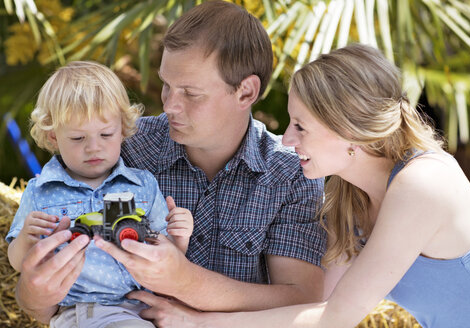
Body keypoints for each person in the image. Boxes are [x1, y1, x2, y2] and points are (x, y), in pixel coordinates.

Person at [126, 43, 470, 327]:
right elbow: (311, 309)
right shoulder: (352, 200)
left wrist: (197, 322)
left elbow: (335, 318)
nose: (286, 139)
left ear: (348, 131)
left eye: (300, 126)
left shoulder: (422, 183)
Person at [14, 0, 327, 323]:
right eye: (166, 85)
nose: (170, 105)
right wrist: (34, 294)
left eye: (190, 93)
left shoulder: (292, 173)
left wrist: (185, 282)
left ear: (246, 93)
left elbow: (301, 301)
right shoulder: (119, 146)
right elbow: (53, 302)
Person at [6, 60, 194, 327]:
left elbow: (166, 258)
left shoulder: (142, 185)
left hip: (135, 309)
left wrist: (180, 237)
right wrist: (25, 238)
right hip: (74, 312)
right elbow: (16, 261)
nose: (94, 148)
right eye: (78, 138)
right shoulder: (41, 191)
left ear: (123, 130)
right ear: (53, 138)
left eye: (106, 134)